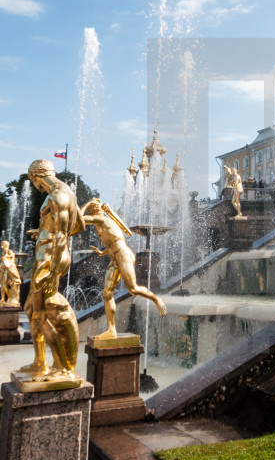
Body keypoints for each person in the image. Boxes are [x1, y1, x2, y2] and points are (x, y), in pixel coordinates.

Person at [18, 159, 83, 384]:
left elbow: (64, 235)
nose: (33, 185)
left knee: (43, 312)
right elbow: (80, 225)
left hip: (50, 258)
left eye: (31, 179)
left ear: (36, 175)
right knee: (30, 309)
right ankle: (40, 362)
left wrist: (54, 272)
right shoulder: (66, 193)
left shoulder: (57, 196)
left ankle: (62, 368)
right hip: (47, 253)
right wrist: (44, 230)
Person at [82, 198, 167, 340]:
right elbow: (112, 244)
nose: (93, 211)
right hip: (114, 259)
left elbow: (78, 218)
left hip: (123, 256)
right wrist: (101, 252)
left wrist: (87, 203)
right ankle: (111, 329)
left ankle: (156, 299)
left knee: (132, 289)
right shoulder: (101, 226)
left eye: (93, 209)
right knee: (107, 294)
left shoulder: (103, 220)